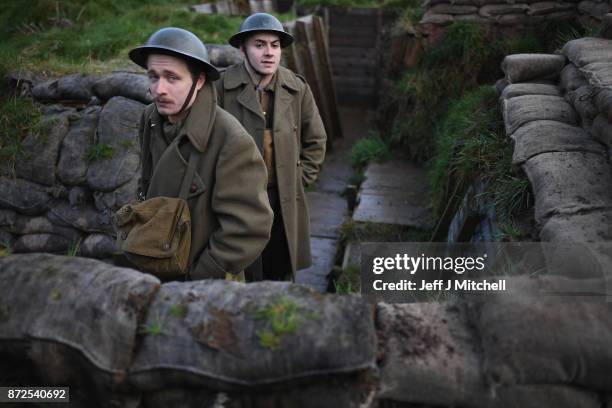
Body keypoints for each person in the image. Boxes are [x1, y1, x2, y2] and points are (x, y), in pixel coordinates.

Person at [128, 27, 273, 280]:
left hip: (203, 281)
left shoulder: (231, 140)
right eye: (153, 76)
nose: (159, 89)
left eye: (172, 78)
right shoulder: (151, 118)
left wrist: (202, 275)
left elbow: (249, 228)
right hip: (156, 260)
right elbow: (148, 184)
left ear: (200, 81)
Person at [215, 13, 327, 281]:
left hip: (283, 195)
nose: (269, 53)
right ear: (242, 49)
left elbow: (316, 140)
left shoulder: (296, 88)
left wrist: (300, 178)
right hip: (239, 198)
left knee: (280, 267)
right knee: (244, 268)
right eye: (259, 44)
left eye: (275, 45)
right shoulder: (220, 88)